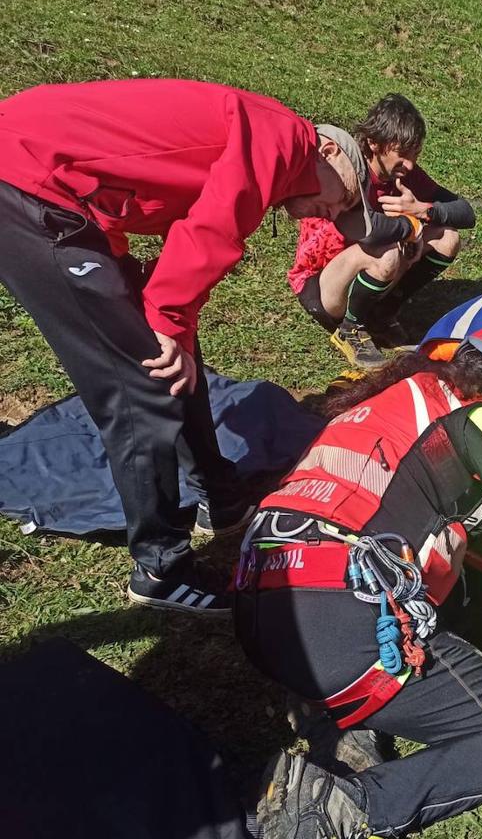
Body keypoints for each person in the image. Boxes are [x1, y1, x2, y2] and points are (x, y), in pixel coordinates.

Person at [0, 79, 384, 613]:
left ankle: (219, 497)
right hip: (26, 180)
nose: (325, 211)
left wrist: (160, 310)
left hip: (59, 188)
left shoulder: (267, 143)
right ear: (328, 150)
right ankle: (160, 566)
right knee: (140, 379)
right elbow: (213, 227)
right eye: (338, 196)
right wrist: (167, 317)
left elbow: (145, 199)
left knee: (173, 349)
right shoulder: (282, 138)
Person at [239, 323, 482, 838]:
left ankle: (331, 714)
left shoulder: (387, 406)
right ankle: (338, 807)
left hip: (258, 607)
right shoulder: (479, 418)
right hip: (338, 622)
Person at [288, 93, 477, 369]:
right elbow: (371, 231)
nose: (410, 164)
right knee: (387, 251)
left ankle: (383, 314)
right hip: (321, 285)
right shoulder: (350, 171)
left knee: (448, 237)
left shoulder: (404, 175)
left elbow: (465, 212)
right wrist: (412, 228)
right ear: (374, 143)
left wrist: (425, 210)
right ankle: (350, 329)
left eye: (415, 155)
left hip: (367, 268)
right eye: (403, 154)